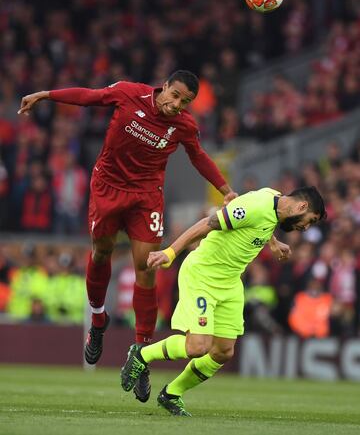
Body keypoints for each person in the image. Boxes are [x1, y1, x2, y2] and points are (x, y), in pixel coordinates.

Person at [18, 70, 239, 402]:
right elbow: (89, 96)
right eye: (175, 95)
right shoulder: (128, 94)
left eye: (185, 102)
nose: (176, 104)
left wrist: (226, 190)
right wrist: (47, 94)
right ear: (164, 87)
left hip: (146, 196)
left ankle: (142, 355)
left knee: (146, 268)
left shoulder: (184, 126)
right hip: (107, 187)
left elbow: (199, 157)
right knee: (101, 252)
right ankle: (98, 318)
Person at [120, 186, 326, 416]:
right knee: (198, 347)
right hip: (203, 276)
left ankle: (171, 394)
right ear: (302, 206)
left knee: (223, 352)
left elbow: (265, 220)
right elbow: (207, 223)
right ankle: (140, 356)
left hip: (230, 283)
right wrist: (170, 252)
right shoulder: (256, 205)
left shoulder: (274, 200)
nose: (305, 227)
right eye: (310, 220)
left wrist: (273, 242)